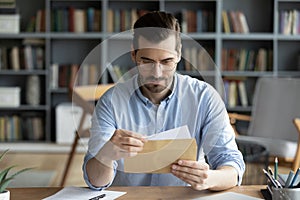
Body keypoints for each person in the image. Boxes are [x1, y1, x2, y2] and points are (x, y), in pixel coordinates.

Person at [83, 11, 245, 191]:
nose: (157, 74)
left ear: (179, 54)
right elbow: (95, 181)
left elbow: (231, 163)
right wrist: (106, 155)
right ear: (134, 54)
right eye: (147, 61)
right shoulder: (111, 101)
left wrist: (210, 178)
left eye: (167, 61)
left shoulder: (204, 97)